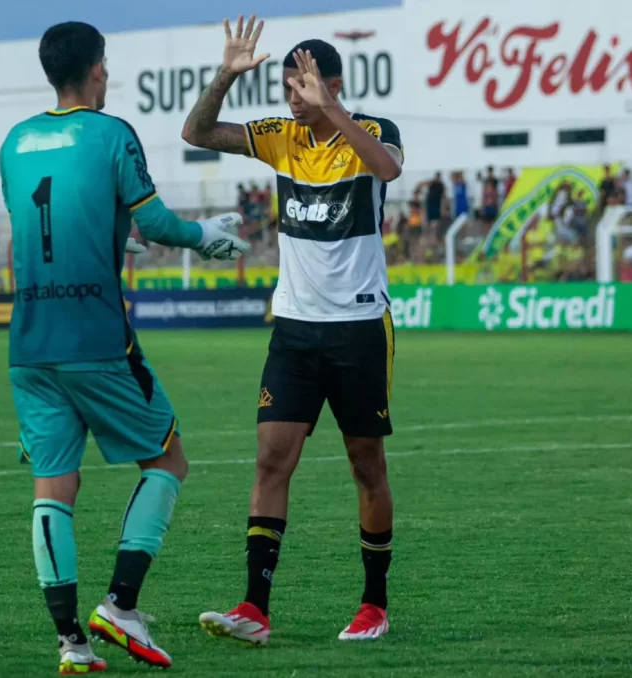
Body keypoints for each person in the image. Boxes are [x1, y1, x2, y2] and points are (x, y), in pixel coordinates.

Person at [0, 21, 249, 674]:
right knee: (167, 461)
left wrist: (115, 241)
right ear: (94, 70)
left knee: (54, 484)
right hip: (96, 337)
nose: (107, 75)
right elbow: (157, 221)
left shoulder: (16, 142)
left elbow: (38, 230)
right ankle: (120, 604)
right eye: (105, 65)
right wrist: (203, 235)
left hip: (28, 344)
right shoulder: (113, 134)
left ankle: (71, 645)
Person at [181, 15, 403, 644]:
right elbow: (195, 130)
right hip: (295, 329)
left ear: (331, 85)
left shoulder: (373, 132)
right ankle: (254, 608)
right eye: (286, 90)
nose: (292, 101)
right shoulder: (280, 136)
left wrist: (329, 109)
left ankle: (374, 604)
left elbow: (385, 170)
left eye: (302, 88)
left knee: (366, 465)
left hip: (360, 326)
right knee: (271, 459)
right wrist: (227, 73)